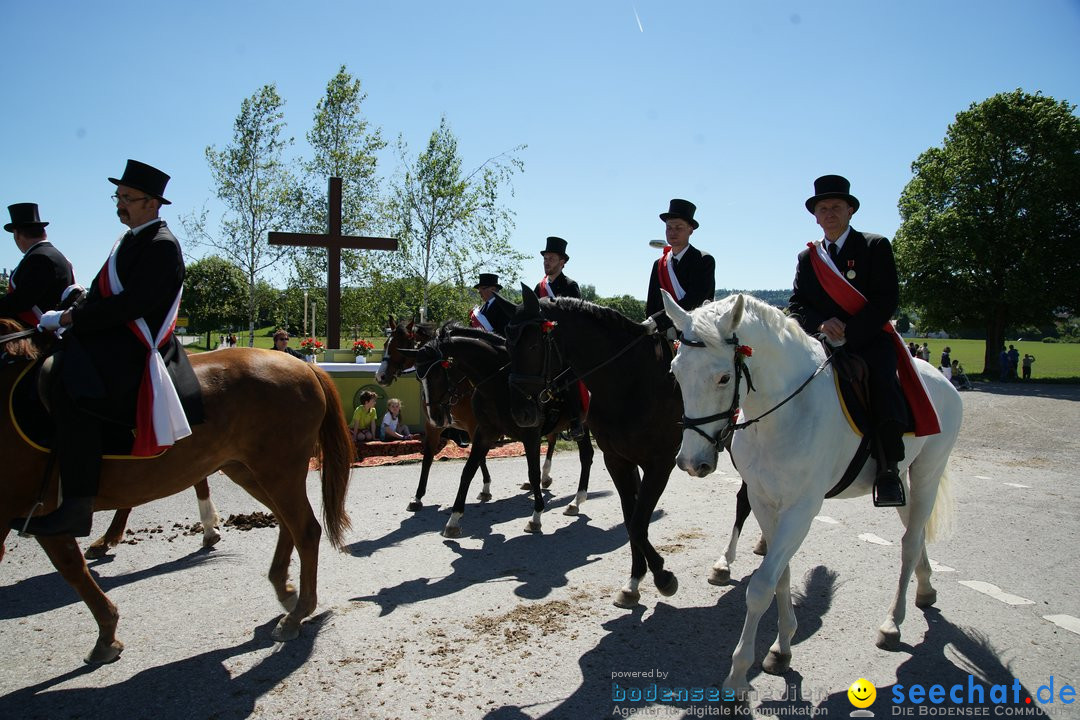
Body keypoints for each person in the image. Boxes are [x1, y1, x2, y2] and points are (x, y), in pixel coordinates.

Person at [12, 160, 204, 537]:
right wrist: (70, 310)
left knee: (68, 382)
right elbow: (104, 296)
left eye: (128, 198)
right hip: (114, 336)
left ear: (152, 202)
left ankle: (77, 505)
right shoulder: (130, 241)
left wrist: (72, 321)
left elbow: (133, 305)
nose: (120, 204)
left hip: (138, 345)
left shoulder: (161, 245)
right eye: (118, 196)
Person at [788, 175, 937, 508]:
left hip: (868, 340)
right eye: (823, 208)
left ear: (850, 210)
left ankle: (888, 468)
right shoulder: (807, 258)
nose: (829, 213)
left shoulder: (874, 246)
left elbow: (886, 300)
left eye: (836, 207)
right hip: (821, 342)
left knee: (882, 383)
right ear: (815, 216)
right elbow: (797, 305)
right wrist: (822, 324)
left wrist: (850, 331)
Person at [534, 236, 586, 439]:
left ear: (562, 262)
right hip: (543, 345)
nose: (547, 262)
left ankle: (575, 422)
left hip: (564, 344)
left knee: (568, 375)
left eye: (551, 258)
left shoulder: (570, 286)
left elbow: (575, 319)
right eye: (545, 258)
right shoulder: (539, 287)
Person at [645, 198, 716, 335]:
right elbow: (652, 302)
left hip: (694, 334)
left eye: (678, 227)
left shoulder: (704, 260)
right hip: (663, 333)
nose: (672, 232)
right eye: (669, 228)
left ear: (690, 230)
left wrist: (656, 321)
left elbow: (695, 301)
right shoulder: (659, 264)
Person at [1, 203, 75, 324]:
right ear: (44, 232)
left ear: (17, 234)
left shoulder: (39, 258)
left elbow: (22, 301)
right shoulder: (55, 255)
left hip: (38, 336)